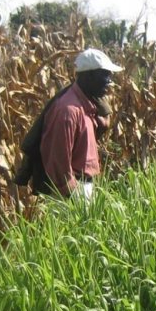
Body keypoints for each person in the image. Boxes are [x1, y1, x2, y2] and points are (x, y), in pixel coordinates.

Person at [39, 48, 123, 199]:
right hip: (71, 192)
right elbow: (57, 160)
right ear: (90, 75)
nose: (110, 81)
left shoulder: (87, 106)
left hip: (82, 187)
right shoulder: (68, 110)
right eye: (105, 75)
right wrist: (72, 193)